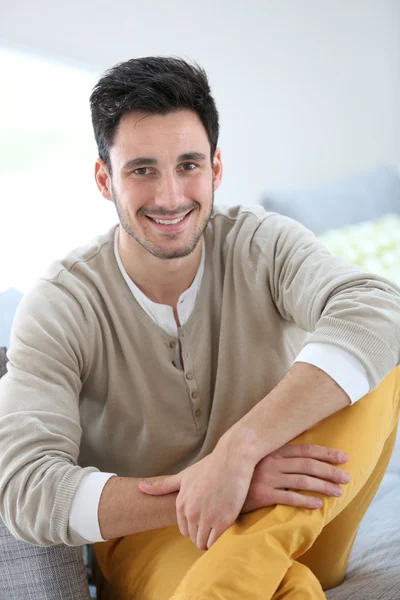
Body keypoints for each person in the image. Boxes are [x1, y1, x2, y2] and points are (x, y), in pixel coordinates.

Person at [0, 56, 400, 600]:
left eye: (188, 165)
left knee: (381, 356)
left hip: (304, 514)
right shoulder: (60, 305)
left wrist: (237, 455)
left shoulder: (262, 243)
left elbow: (377, 308)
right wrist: (210, 489)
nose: (169, 196)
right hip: (154, 538)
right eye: (142, 169)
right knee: (289, 589)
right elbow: (27, 489)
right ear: (104, 179)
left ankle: (248, 554)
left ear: (215, 169)